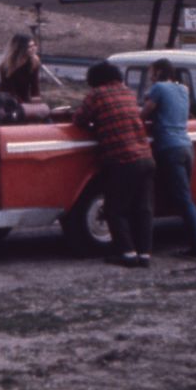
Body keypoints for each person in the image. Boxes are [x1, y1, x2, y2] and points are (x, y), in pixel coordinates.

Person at [75, 60, 156, 268]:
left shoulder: (97, 95)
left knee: (115, 209)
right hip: (146, 158)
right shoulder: (127, 92)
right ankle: (145, 254)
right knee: (143, 208)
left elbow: (79, 120)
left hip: (122, 158)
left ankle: (127, 253)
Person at [142, 58, 196, 258]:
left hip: (168, 147)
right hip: (186, 146)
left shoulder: (158, 88)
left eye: (152, 72)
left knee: (182, 200)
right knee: (186, 198)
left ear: (158, 72)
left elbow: (145, 112)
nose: (150, 76)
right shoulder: (184, 89)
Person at [0, 33, 42, 102]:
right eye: (30, 47)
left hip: (25, 98)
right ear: (21, 48)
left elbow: (35, 85)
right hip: (8, 99)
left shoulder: (34, 61)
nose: (34, 49)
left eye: (34, 45)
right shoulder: (6, 65)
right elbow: (7, 89)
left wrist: (36, 99)